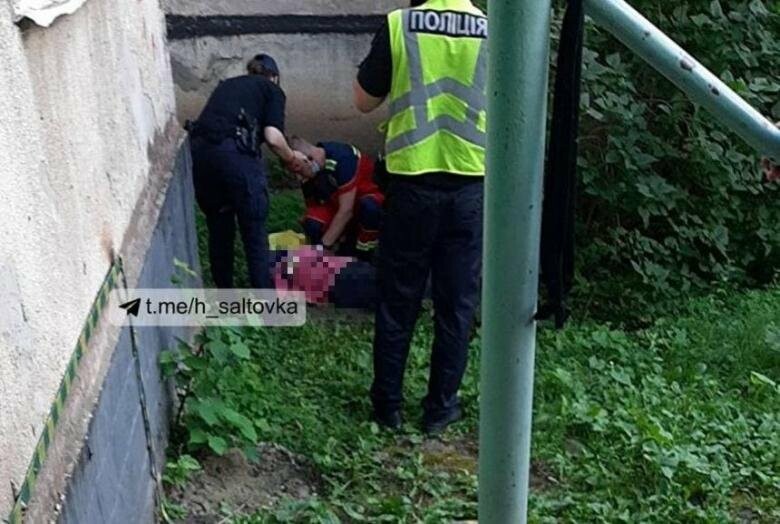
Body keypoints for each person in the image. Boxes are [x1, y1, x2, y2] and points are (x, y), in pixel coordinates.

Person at [353, 0, 488, 434]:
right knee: (457, 305)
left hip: (411, 183)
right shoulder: (493, 30)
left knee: (398, 300)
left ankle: (387, 408)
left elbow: (362, 101)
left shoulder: (401, 25)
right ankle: (440, 409)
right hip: (470, 185)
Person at [188, 54, 307, 288]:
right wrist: (292, 157)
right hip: (236, 156)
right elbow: (273, 137)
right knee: (254, 234)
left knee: (219, 229)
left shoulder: (228, 85)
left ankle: (225, 299)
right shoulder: (271, 90)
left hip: (201, 157)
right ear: (274, 77)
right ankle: (265, 303)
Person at [289, 137, 384, 258]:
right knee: (313, 222)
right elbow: (313, 206)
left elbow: (346, 211)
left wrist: (323, 246)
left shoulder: (344, 159)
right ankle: (329, 254)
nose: (298, 177)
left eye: (298, 170)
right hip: (339, 204)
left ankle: (364, 255)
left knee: (370, 208)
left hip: (361, 200)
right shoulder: (310, 172)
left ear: (308, 160)